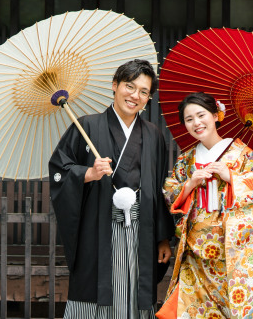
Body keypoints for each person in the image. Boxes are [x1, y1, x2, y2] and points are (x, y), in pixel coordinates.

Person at [49, 59, 174, 318]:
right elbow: (59, 170)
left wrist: (163, 236)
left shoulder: (153, 135)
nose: (135, 96)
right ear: (115, 86)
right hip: (99, 227)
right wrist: (89, 173)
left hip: (143, 230)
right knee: (95, 292)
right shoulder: (86, 126)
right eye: (130, 87)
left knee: (135, 294)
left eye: (144, 92)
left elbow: (161, 188)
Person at [160, 92, 253, 319]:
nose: (196, 123)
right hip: (196, 248)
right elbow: (169, 192)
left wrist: (231, 176)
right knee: (194, 309)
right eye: (189, 119)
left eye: (201, 115)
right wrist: (191, 182)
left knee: (236, 306)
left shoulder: (242, 154)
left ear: (216, 115)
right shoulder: (187, 159)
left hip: (233, 248)